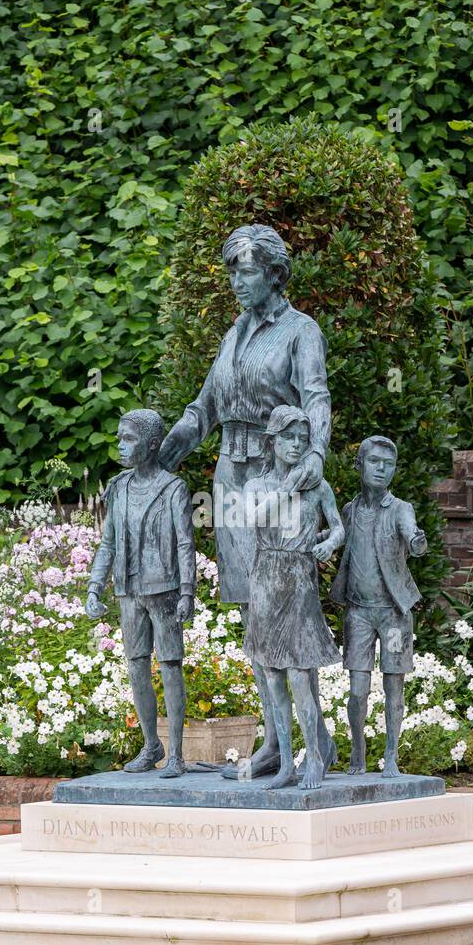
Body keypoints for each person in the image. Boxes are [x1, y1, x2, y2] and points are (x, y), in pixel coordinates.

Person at [159, 223, 335, 776]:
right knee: (251, 611)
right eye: (232, 271)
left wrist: (315, 455)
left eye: (248, 271)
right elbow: (203, 409)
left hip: (276, 475)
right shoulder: (233, 333)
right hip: (231, 479)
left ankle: (311, 743)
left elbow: (316, 397)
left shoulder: (300, 331)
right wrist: (163, 457)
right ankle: (278, 742)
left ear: (275, 274)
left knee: (284, 609)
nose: (237, 281)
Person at [239, 407, 345, 791]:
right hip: (266, 579)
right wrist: (287, 488)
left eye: (303, 439)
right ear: (273, 441)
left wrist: (330, 543)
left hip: (299, 579)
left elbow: (339, 527)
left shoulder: (318, 486)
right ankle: (285, 762)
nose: (296, 445)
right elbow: (254, 519)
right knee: (272, 677)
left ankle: (314, 757)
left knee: (300, 675)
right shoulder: (256, 485)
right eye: (288, 437)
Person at [86, 409, 195, 778]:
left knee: (170, 667)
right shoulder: (118, 488)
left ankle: (176, 753)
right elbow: (108, 543)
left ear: (152, 445)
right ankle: (151, 745)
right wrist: (94, 586)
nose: (120, 445)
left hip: (164, 589)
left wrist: (187, 591)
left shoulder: (173, 488)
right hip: (128, 590)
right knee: (136, 668)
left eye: (128, 439)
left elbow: (185, 543)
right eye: (119, 438)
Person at [330, 435, 427, 779]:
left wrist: (416, 540)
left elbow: (411, 534)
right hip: (358, 613)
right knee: (357, 691)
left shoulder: (401, 509)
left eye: (389, 464)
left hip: (393, 616)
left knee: (393, 686)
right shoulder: (349, 510)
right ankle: (357, 753)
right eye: (374, 462)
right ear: (359, 465)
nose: (382, 469)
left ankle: (391, 755)